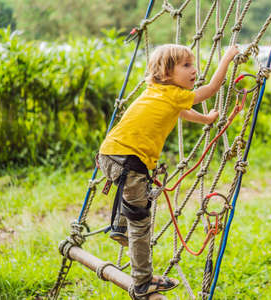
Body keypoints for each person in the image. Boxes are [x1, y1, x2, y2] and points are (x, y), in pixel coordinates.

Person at [97, 43, 239, 298]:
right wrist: (227, 58)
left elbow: (181, 111)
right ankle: (142, 282)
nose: (193, 70)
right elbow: (210, 90)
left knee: (130, 197)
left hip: (109, 155)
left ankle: (119, 227)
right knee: (140, 224)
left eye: (192, 64)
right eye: (186, 66)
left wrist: (206, 120)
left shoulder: (158, 91)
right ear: (164, 72)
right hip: (130, 162)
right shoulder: (173, 94)